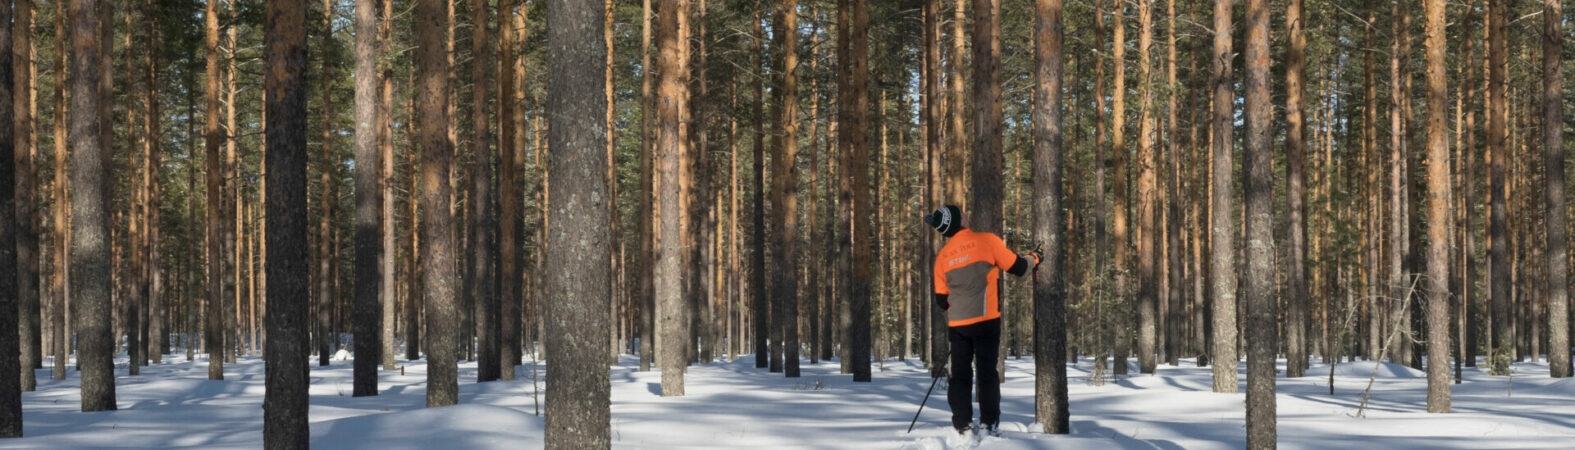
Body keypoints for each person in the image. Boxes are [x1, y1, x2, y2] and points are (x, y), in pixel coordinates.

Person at [924, 205, 1040, 435]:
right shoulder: (987, 241)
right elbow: (1018, 267)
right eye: (962, 213)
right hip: (986, 320)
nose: (967, 214)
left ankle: (963, 424)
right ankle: (989, 424)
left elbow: (941, 300)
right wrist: (1035, 257)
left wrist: (958, 309)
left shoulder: (942, 258)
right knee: (987, 373)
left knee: (960, 375)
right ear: (960, 221)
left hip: (958, 325)